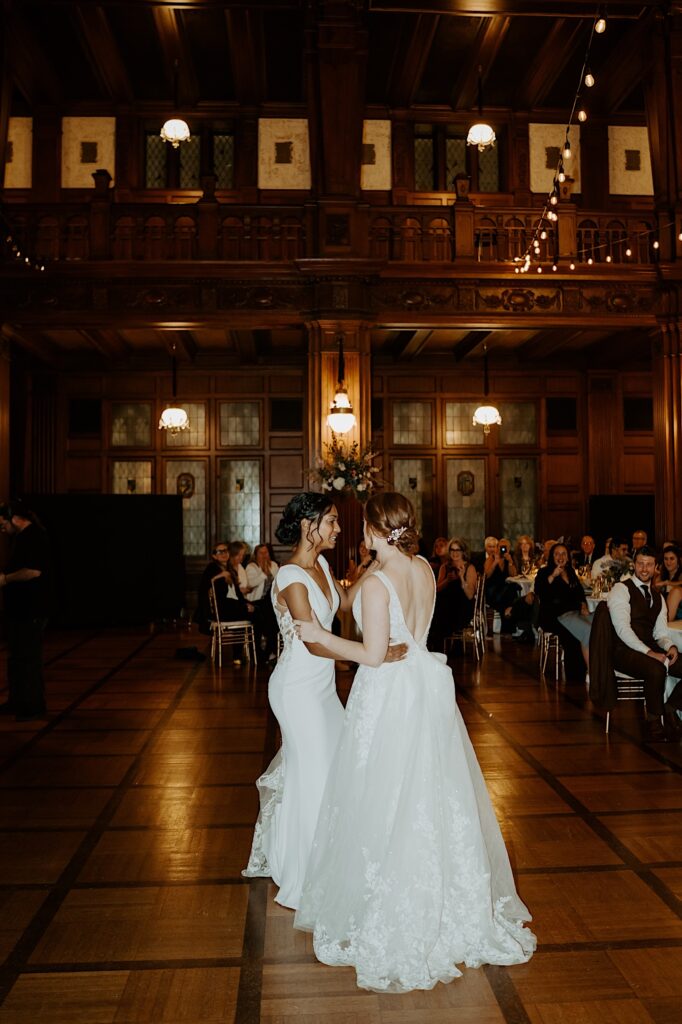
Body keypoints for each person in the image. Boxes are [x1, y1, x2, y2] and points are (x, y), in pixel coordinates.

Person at [293, 492, 535, 993]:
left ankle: (390, 901)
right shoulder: (424, 567)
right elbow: (406, 638)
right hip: (424, 685)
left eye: (364, 528)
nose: (358, 535)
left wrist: (318, 634)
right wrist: (370, 566)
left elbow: (376, 655)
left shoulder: (380, 585)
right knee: (429, 793)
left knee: (383, 794)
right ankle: (451, 901)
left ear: (378, 530)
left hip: (387, 694)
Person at [242, 493, 407, 909]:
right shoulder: (290, 577)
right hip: (297, 690)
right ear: (307, 524)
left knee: (332, 772)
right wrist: (374, 653)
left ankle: (325, 863)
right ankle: (305, 875)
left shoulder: (322, 566)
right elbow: (313, 643)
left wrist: (377, 563)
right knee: (314, 775)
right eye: (331, 521)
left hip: (323, 690)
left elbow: (346, 604)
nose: (337, 529)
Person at [607, 545, 682, 742]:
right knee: (656, 668)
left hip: (650, 647)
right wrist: (649, 652)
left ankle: (671, 706)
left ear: (656, 567)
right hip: (622, 651)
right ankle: (654, 722)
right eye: (640, 563)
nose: (644, 569)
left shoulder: (658, 597)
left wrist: (669, 647)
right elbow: (623, 630)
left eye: (649, 564)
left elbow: (660, 633)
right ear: (634, 564)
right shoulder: (620, 589)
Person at [0, 499, 52, 721]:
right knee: (17, 658)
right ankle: (18, 700)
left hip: (31, 608)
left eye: (2, 523)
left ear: (14, 518)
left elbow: (33, 572)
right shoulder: (20, 538)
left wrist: (5, 579)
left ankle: (33, 705)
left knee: (29, 658)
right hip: (19, 609)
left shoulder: (34, 538)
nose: (1, 528)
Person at [194, 541, 259, 663]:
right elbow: (204, 587)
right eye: (220, 551)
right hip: (222, 609)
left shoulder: (231, 570)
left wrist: (246, 603)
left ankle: (246, 654)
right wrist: (219, 576)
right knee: (252, 613)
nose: (224, 554)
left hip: (233, 607)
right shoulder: (212, 568)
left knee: (255, 610)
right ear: (214, 556)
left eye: (225, 551)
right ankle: (251, 654)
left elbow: (237, 595)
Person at [534, 543, 587, 680]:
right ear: (552, 557)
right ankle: (575, 675)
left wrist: (583, 605)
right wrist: (552, 576)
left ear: (568, 558)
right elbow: (540, 592)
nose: (560, 557)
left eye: (563, 554)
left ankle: (586, 670)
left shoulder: (571, 573)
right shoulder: (544, 572)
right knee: (571, 632)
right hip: (552, 616)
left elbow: (580, 594)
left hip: (572, 615)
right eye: (557, 554)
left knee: (588, 629)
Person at [427, 536, 477, 652]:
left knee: (440, 615)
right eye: (452, 550)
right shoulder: (445, 567)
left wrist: (461, 578)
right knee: (435, 611)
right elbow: (437, 589)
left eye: (457, 550)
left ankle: (439, 649)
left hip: (462, 608)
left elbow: (470, 595)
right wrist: (447, 581)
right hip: (445, 605)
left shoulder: (469, 568)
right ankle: (435, 649)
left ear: (463, 551)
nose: (454, 553)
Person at [245, 543, 279, 660]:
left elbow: (278, 582)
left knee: (273, 618)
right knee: (270, 618)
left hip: (270, 602)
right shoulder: (251, 567)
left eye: (266, 552)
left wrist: (269, 569)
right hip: (256, 601)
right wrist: (264, 573)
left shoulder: (273, 565)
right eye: (261, 553)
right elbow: (251, 584)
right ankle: (270, 650)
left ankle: (270, 649)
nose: (264, 555)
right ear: (256, 555)